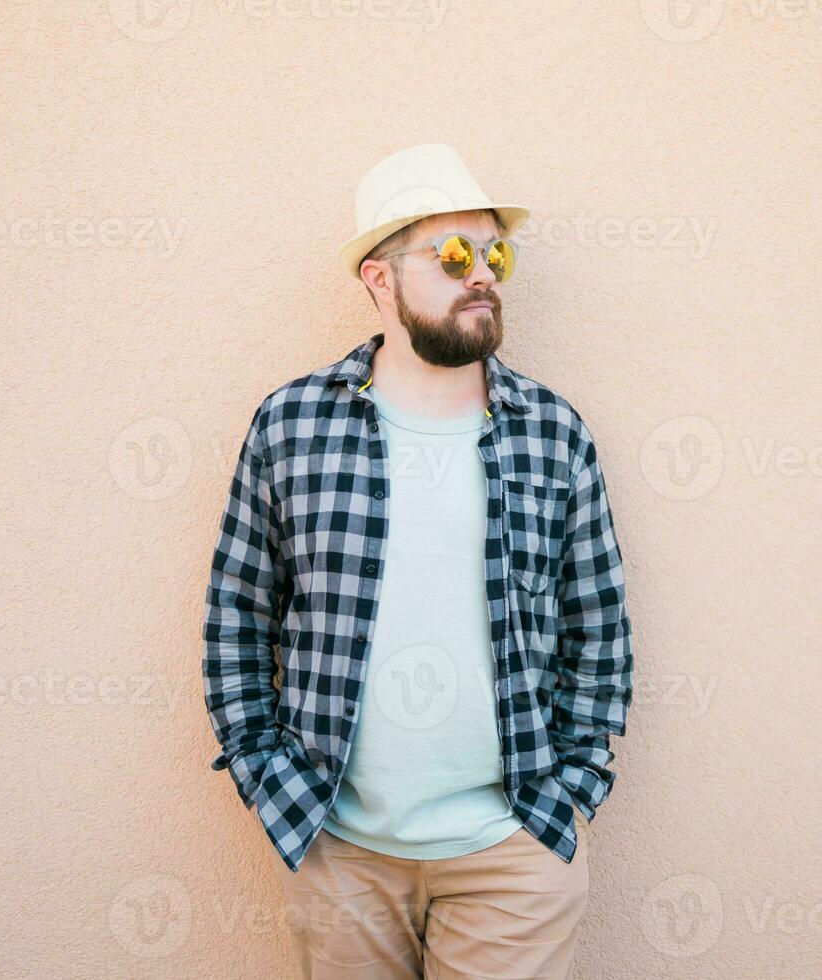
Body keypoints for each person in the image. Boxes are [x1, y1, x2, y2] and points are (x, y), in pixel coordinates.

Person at [203, 143, 634, 979]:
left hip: (511, 853)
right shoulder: (293, 425)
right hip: (342, 853)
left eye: (494, 253)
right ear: (378, 278)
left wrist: (572, 787)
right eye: (453, 255)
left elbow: (600, 624)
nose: (484, 275)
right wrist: (268, 775)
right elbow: (238, 611)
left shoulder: (553, 433)